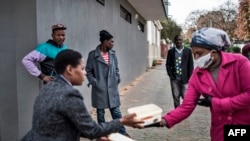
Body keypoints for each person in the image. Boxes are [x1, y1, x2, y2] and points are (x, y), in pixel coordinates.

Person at [151, 27, 250, 141]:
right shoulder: (197, 75)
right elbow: (186, 106)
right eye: (194, 54)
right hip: (220, 131)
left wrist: (216, 103)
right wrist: (163, 121)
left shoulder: (239, 62)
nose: (196, 58)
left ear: (213, 52)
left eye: (199, 53)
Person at [21, 49, 143, 141]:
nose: (85, 73)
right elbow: (92, 130)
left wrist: (91, 133)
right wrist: (122, 121)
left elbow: (58, 124)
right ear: (69, 69)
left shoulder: (47, 88)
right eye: (82, 68)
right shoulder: (69, 94)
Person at [85, 30, 130, 137]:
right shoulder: (93, 55)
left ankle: (123, 133)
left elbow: (117, 68)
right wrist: (94, 82)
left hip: (112, 88)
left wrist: (117, 78)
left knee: (116, 113)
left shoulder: (113, 54)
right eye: (111, 41)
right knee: (100, 114)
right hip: (99, 89)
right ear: (105, 42)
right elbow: (88, 71)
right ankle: (102, 135)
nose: (113, 44)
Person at [166, 35, 194, 108]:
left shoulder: (188, 51)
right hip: (175, 79)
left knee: (185, 97)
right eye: (177, 40)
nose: (178, 41)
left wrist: (190, 78)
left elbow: (191, 65)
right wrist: (171, 75)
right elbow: (168, 64)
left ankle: (183, 112)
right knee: (176, 97)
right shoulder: (171, 51)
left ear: (182, 41)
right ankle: (177, 112)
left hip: (185, 79)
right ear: (175, 41)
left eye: (180, 40)